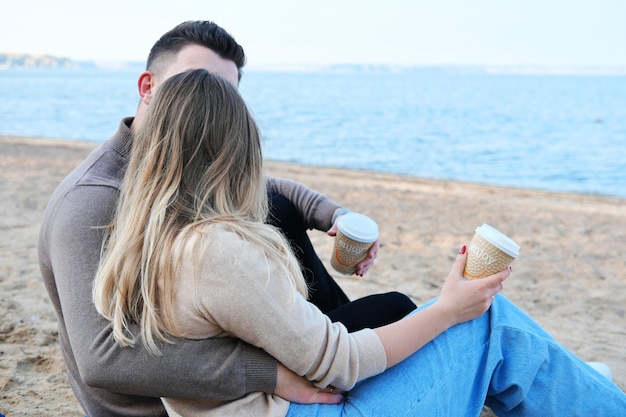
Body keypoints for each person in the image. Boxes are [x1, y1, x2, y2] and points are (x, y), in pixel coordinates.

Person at [94, 68, 626, 417]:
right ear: (233, 153)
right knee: (491, 323)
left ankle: (572, 390)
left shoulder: (142, 241)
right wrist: (447, 308)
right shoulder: (214, 251)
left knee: (474, 337)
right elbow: (342, 362)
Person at [38, 20, 415, 417]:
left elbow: (269, 187)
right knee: (394, 311)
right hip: (174, 405)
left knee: (276, 208)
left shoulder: (178, 166)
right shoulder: (91, 202)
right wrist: (267, 373)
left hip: (227, 357)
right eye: (193, 83)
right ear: (148, 88)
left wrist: (338, 216)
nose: (210, 101)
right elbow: (102, 361)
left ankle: (321, 340)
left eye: (225, 93)